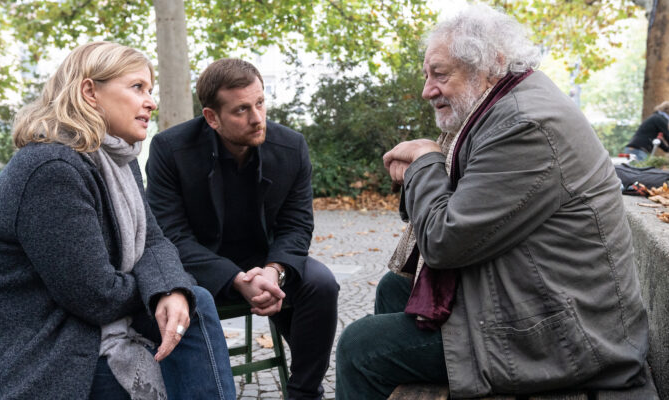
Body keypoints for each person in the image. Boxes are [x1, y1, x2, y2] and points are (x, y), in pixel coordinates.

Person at [336, 5, 649, 399]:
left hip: (573, 338)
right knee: (393, 287)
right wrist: (425, 165)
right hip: (538, 297)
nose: (427, 90)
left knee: (361, 346)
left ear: (492, 65)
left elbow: (443, 242)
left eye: (440, 75)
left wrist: (425, 160)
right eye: (427, 75)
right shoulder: (505, 104)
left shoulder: (525, 124)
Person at [0, 41, 236, 400]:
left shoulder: (119, 161)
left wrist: (171, 289)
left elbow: (154, 242)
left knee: (192, 304)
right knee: (184, 317)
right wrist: (158, 288)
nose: (151, 102)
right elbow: (97, 296)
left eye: (150, 90)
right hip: (17, 352)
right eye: (137, 87)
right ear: (90, 91)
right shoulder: (51, 168)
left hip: (72, 325)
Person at [146, 58, 339, 400]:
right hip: (199, 267)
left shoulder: (291, 146)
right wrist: (236, 279)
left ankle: (305, 393)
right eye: (241, 110)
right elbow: (170, 235)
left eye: (260, 103)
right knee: (176, 295)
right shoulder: (170, 149)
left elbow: (297, 225)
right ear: (212, 117)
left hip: (266, 263)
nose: (257, 118)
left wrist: (274, 271)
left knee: (321, 284)